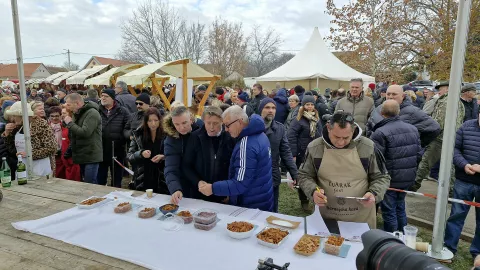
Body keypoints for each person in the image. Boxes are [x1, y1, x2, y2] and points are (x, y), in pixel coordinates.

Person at [298, 110, 390, 229]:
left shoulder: (368, 147)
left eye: (346, 137)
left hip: (360, 218)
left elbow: (382, 177)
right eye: (336, 137)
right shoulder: (315, 147)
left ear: (353, 130)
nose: (340, 142)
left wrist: (374, 193)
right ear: (328, 128)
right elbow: (304, 175)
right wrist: (312, 191)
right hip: (326, 216)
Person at [198, 106, 274, 211]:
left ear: (240, 122)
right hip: (262, 197)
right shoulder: (260, 135)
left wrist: (212, 188)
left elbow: (240, 183)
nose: (226, 129)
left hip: (249, 203)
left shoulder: (246, 144)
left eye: (228, 125)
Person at [370, 100, 421, 232]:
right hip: (408, 177)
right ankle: (402, 234)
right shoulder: (413, 129)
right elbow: (419, 153)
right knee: (400, 207)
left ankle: (391, 236)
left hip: (390, 178)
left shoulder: (380, 132)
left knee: (389, 210)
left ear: (381, 113)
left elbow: (377, 158)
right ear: (398, 111)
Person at [411, 81, 465, 194]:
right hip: (452, 138)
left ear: (448, 89)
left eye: (441, 88)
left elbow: (438, 123)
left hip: (440, 138)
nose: (439, 91)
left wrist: (430, 134)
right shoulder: (459, 102)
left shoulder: (446, 101)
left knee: (425, 163)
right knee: (450, 166)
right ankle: (450, 191)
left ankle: (413, 185)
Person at [444, 112, 480, 261]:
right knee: (456, 216)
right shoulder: (466, 127)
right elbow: (454, 149)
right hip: (464, 180)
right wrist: (464, 164)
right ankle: (449, 248)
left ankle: (477, 253)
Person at [183, 106, 235, 203]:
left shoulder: (230, 137)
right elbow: (186, 165)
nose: (211, 127)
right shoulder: (195, 137)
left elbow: (234, 167)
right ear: (203, 121)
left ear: (222, 122)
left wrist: (229, 191)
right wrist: (197, 182)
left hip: (223, 194)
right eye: (208, 123)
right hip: (199, 193)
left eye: (215, 123)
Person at [366, 85, 441, 147]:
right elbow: (369, 127)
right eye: (388, 94)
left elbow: (434, 128)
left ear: (402, 96)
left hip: (402, 158)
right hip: (379, 155)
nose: (390, 97)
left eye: (394, 94)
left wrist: (417, 146)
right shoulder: (378, 109)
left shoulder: (413, 112)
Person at [260, 98, 298, 212]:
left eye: (273, 108)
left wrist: (294, 172)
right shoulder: (251, 126)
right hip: (256, 175)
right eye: (267, 107)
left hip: (273, 174)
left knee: (273, 208)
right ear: (261, 110)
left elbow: (285, 151)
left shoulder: (280, 128)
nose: (270, 110)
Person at [2, 101, 57, 177]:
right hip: (23, 167)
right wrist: (7, 134)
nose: (12, 119)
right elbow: (12, 151)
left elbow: (52, 148)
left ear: (21, 115)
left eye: (14, 116)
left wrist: (30, 154)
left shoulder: (40, 124)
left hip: (40, 167)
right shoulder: (17, 127)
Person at [288, 95, 322, 211]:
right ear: (303, 105)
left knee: (316, 177)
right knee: (303, 177)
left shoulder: (316, 118)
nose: (310, 107)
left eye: (312, 104)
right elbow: (291, 136)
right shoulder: (298, 119)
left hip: (316, 152)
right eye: (308, 104)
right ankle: (304, 201)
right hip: (302, 153)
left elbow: (321, 134)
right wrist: (294, 153)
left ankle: (316, 198)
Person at [164, 106, 201, 204]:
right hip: (183, 184)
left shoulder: (202, 131)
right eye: (177, 124)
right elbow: (170, 167)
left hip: (204, 183)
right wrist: (175, 188)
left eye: (184, 123)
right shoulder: (171, 139)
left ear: (191, 120)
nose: (181, 127)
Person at [64, 93, 103, 184]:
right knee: (86, 182)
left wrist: (70, 124)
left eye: (68, 104)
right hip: (82, 153)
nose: (67, 107)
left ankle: (95, 198)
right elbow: (74, 134)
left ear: (77, 103)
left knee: (90, 182)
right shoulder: (77, 112)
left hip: (91, 154)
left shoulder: (92, 113)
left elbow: (85, 132)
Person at [127, 108, 168, 193]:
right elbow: (130, 156)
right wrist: (141, 153)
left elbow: (174, 155)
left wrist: (163, 157)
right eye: (150, 121)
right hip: (143, 177)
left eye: (156, 120)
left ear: (160, 120)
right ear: (146, 122)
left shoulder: (167, 134)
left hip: (162, 178)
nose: (153, 123)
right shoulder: (138, 134)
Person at [97, 89, 130, 187]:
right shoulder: (97, 110)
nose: (103, 98)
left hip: (117, 150)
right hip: (101, 149)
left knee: (116, 179)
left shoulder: (122, 111)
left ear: (112, 98)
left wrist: (124, 139)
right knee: (100, 178)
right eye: (102, 95)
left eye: (106, 96)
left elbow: (128, 127)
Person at [60, 107, 81, 181]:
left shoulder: (72, 126)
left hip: (71, 158)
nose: (62, 115)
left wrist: (67, 154)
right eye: (61, 113)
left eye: (64, 113)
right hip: (65, 159)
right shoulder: (62, 125)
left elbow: (73, 142)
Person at [48, 106, 65, 178]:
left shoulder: (65, 126)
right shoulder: (46, 127)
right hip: (49, 156)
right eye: (52, 116)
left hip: (62, 156)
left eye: (57, 116)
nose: (54, 118)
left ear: (61, 116)